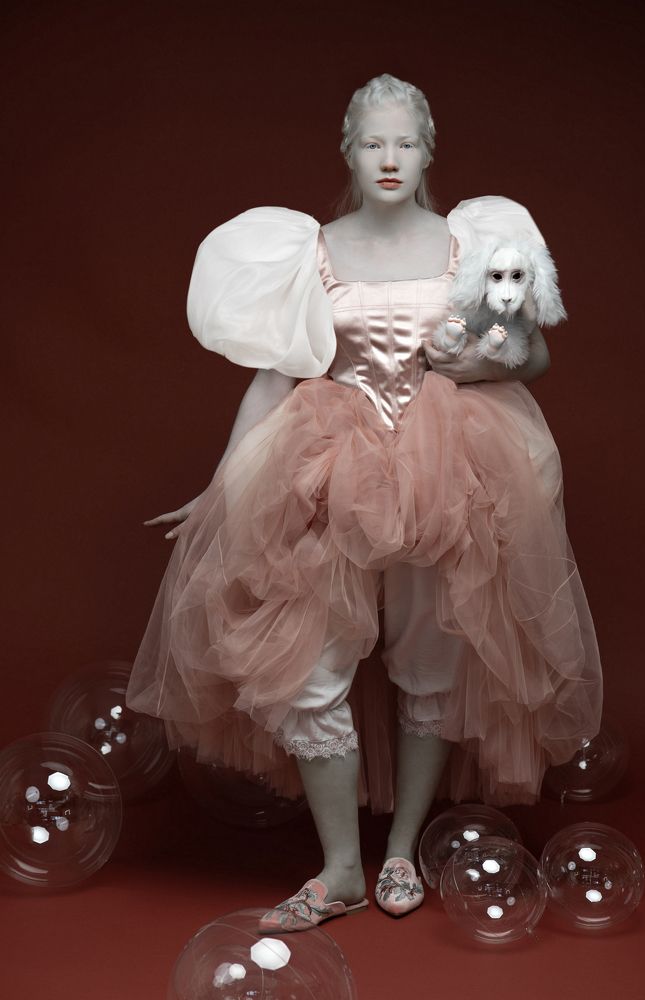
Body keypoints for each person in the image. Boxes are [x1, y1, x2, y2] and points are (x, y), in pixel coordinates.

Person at [125, 73, 603, 932]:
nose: (390, 158)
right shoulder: (309, 249)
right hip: (329, 463)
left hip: (447, 466)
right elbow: (275, 377)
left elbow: (530, 354)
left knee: (433, 656)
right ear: (348, 152)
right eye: (373, 143)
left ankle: (402, 851)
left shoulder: (470, 243)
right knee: (308, 669)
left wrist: (474, 366)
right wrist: (224, 482)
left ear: (427, 152)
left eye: (405, 143)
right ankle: (342, 868)